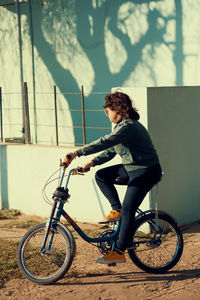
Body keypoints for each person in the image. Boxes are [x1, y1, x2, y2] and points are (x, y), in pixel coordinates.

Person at [64, 91, 162, 264]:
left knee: (128, 209)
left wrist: (77, 153)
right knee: (102, 176)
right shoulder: (120, 127)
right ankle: (116, 209)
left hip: (146, 171)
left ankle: (118, 251)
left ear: (117, 109)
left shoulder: (128, 126)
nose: (106, 112)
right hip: (132, 169)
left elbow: (105, 141)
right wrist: (92, 163)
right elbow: (112, 150)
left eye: (108, 109)